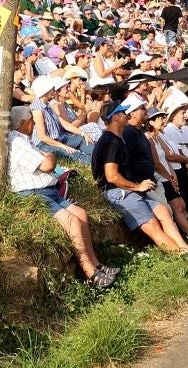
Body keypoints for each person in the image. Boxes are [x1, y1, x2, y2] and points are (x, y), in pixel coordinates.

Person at [6, 105, 117, 289]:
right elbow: (48, 165)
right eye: (31, 121)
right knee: (72, 221)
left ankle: (96, 264)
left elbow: (46, 162)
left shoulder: (24, 139)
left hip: (47, 190)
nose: (34, 124)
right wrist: (49, 155)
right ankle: (90, 272)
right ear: (23, 123)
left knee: (81, 214)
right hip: (34, 193)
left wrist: (47, 156)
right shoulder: (17, 142)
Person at [91, 101, 188, 255]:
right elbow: (111, 176)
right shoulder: (110, 142)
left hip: (127, 188)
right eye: (123, 113)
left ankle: (185, 248)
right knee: (152, 224)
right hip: (117, 192)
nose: (127, 115)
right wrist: (137, 186)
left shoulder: (117, 138)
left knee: (163, 211)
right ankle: (180, 254)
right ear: (115, 117)